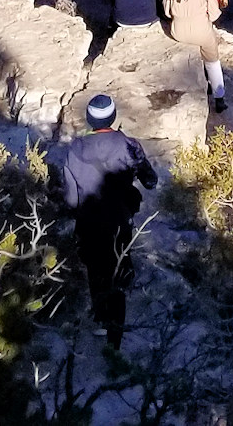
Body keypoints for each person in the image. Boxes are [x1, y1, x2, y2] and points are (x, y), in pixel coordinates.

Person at [47, 93, 157, 349]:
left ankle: (99, 316)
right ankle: (114, 339)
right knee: (117, 272)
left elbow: (72, 199)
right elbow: (151, 181)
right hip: (119, 220)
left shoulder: (74, 149)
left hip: (88, 221)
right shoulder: (129, 145)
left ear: (89, 119)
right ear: (113, 117)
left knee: (96, 271)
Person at [163, 0, 227, 113]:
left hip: (178, 31)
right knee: (212, 61)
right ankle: (219, 97)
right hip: (201, 32)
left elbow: (166, 11)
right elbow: (214, 14)